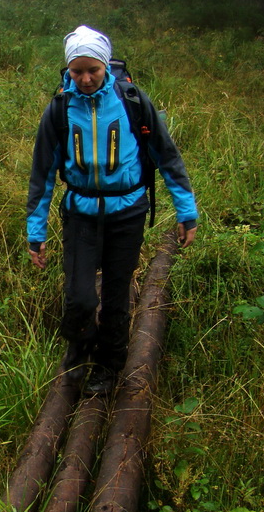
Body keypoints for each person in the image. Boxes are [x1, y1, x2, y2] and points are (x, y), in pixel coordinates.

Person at [26, 25, 198, 394]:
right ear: (68, 70)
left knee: (117, 298)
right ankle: (78, 352)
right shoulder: (59, 110)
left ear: (106, 66)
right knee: (80, 297)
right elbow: (42, 174)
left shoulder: (132, 102)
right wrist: (35, 233)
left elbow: (167, 157)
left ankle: (108, 367)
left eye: (94, 70)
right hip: (81, 214)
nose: (86, 79)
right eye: (77, 71)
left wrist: (187, 212)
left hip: (127, 214)